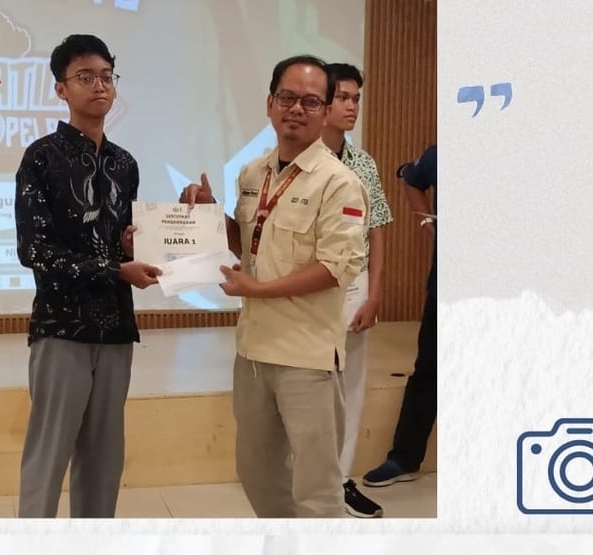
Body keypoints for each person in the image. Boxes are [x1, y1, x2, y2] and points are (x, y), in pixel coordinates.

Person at [181, 55, 369, 518]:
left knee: (317, 489)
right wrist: (210, 213)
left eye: (311, 101)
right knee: (257, 475)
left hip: (307, 357)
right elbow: (248, 242)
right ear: (270, 104)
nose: (296, 109)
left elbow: (336, 267)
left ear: (325, 111)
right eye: (287, 97)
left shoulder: (340, 183)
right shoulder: (253, 174)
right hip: (253, 354)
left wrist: (255, 290)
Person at [14, 34, 162, 518]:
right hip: (61, 327)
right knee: (48, 455)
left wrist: (147, 241)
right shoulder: (41, 157)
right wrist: (114, 268)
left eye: (106, 76)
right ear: (61, 89)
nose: (99, 86)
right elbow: (33, 249)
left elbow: (123, 240)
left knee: (104, 459)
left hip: (116, 327)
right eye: (85, 77)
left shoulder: (125, 164)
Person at [320, 62, 393, 518]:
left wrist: (375, 294)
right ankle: (309, 477)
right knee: (310, 384)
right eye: (343, 98)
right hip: (309, 289)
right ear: (323, 102)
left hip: (355, 287)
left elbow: (378, 229)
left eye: (356, 99)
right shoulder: (302, 159)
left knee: (351, 386)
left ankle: (341, 479)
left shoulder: (364, 163)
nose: (352, 107)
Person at [362, 144, 437, 488]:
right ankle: (405, 458)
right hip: (445, 286)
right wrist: (426, 221)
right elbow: (411, 178)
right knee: (428, 371)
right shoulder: (443, 153)